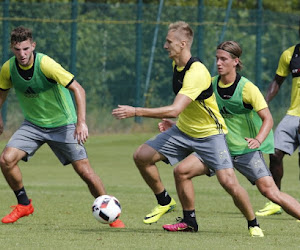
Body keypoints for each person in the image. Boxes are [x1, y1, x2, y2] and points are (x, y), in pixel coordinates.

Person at [112, 21, 263, 237]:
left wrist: (135, 111)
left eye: (169, 42)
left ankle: (253, 223)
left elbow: (176, 108)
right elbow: (184, 107)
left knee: (228, 182)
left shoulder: (197, 72)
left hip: (211, 135)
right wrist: (172, 122)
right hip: (184, 131)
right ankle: (171, 207)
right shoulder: (177, 65)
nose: (165, 46)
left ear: (183, 44)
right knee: (142, 156)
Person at [160, 40, 300, 236]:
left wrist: (258, 140)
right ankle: (189, 221)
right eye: (217, 58)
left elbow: (268, 119)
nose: (218, 63)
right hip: (217, 148)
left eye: (223, 59)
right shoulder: (210, 83)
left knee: (271, 192)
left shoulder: (247, 88)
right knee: (181, 172)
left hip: (245, 151)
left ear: (235, 61)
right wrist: (175, 125)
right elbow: (202, 114)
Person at [0, 26, 124, 228]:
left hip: (63, 124)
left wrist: (80, 122)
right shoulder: (8, 68)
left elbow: (78, 89)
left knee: (85, 172)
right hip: (32, 125)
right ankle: (24, 205)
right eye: (17, 49)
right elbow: (2, 90)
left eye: (25, 49)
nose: (22, 54)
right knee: (6, 160)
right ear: (12, 48)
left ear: (33, 46)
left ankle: (113, 216)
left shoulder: (46, 65)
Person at [255, 20, 300, 217]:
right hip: (293, 115)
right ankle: (276, 200)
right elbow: (277, 81)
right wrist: (262, 103)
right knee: (274, 153)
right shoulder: (290, 54)